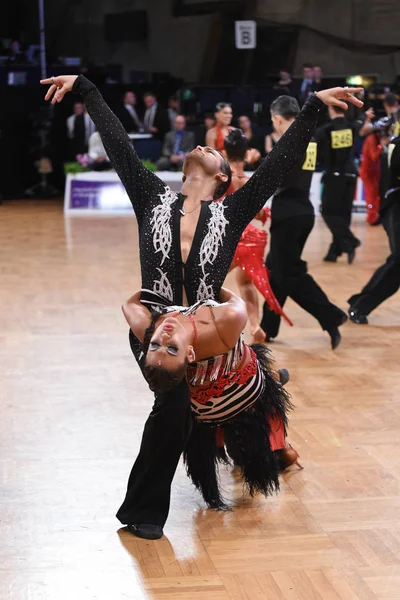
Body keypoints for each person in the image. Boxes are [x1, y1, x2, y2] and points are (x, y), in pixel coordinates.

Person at [41, 74, 363, 540]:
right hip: (156, 329)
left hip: (209, 331)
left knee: (243, 400)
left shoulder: (232, 212)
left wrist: (312, 106)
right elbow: (117, 145)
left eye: (214, 156)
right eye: (203, 149)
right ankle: (145, 511)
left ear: (221, 178)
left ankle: (266, 453)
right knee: (171, 411)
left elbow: (279, 164)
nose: (206, 149)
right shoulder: (151, 195)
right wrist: (87, 90)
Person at [122, 286, 297, 512]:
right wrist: (211, 284)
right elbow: (234, 300)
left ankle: (261, 447)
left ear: (147, 344)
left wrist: (155, 284)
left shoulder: (150, 329)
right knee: (255, 428)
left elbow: (129, 305)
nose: (164, 336)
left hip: (207, 402)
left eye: (156, 345)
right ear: (190, 354)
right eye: (173, 348)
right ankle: (277, 447)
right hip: (240, 392)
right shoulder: (224, 325)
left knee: (242, 443)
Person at [260, 96, 348, 349]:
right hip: (302, 213)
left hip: (288, 215)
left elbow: (268, 177)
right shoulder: (309, 140)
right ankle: (267, 327)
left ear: (277, 118)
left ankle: (330, 314)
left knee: (289, 275)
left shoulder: (287, 142)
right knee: (275, 270)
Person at [224, 128, 292, 343]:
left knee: (208, 283)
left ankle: (215, 327)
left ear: (224, 152)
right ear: (246, 154)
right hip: (252, 241)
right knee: (245, 283)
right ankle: (255, 326)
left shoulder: (221, 178)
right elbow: (260, 213)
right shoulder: (247, 181)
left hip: (230, 240)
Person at [348, 113, 400, 324]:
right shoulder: (396, 144)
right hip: (395, 205)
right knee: (398, 260)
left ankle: (360, 302)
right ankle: (360, 305)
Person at [316, 103, 362, 263]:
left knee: (328, 212)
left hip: (335, 175)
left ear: (330, 109)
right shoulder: (352, 127)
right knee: (343, 214)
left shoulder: (325, 130)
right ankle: (334, 252)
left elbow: (319, 156)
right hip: (352, 174)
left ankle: (350, 240)